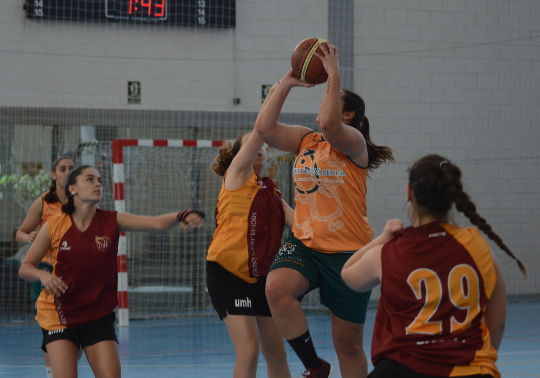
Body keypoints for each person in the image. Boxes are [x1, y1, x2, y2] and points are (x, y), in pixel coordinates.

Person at [255, 42, 394, 378]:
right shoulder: (307, 139)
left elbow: (330, 125)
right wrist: (286, 83)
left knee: (347, 344)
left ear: (348, 115)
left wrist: (333, 73)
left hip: (347, 252)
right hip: (305, 242)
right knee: (276, 288)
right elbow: (264, 130)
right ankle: (315, 366)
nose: (322, 102)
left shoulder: (353, 144)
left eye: (330, 98)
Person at [341, 154, 526, 378]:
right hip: (470, 369)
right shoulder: (478, 247)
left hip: (402, 368)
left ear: (409, 193)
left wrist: (382, 238)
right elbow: (497, 322)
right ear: (451, 197)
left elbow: (347, 273)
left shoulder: (388, 252)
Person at [19, 165, 204, 378]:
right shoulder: (54, 225)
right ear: (72, 189)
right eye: (89, 179)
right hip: (58, 312)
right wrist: (44, 276)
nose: (97, 184)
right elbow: (26, 267)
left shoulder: (112, 220)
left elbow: (155, 223)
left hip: (97, 313)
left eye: (99, 180)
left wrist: (183, 214)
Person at [206, 84, 293, 378]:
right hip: (228, 273)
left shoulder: (271, 191)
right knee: (249, 351)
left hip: (261, 276)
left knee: (277, 353)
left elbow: (302, 225)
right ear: (239, 154)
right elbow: (262, 129)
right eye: (255, 145)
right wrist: (285, 85)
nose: (261, 148)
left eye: (264, 148)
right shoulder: (236, 175)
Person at [15, 155, 75, 378]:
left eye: (71, 168)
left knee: (73, 338)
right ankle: (53, 372)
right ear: (53, 174)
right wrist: (28, 236)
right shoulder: (43, 202)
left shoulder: (81, 202)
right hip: (47, 272)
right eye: (62, 168)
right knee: (52, 330)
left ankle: (60, 365)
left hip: (74, 274)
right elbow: (20, 232)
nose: (67, 171)